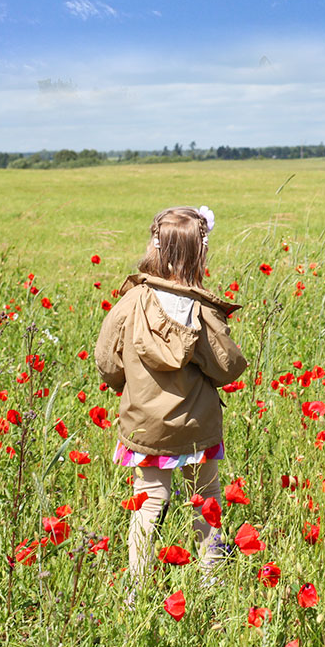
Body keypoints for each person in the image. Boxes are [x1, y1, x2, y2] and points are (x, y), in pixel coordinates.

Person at [95, 205, 247, 577]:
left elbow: (106, 360)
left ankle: (137, 589)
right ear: (199, 253)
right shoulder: (202, 311)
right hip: (196, 425)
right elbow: (227, 367)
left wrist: (129, 387)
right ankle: (211, 576)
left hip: (145, 426)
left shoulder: (131, 303)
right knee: (205, 498)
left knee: (148, 502)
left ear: (155, 246)